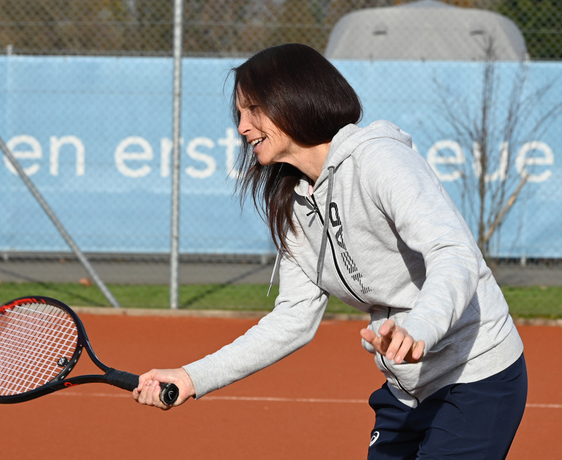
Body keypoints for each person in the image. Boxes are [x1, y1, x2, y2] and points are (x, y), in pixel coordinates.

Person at [133, 43, 527, 459]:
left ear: (294, 98)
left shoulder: (378, 160)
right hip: (406, 386)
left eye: (253, 109)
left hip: (477, 373)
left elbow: (454, 252)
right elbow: (294, 318)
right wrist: (193, 378)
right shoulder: (293, 203)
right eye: (239, 114)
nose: (242, 127)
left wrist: (420, 329)